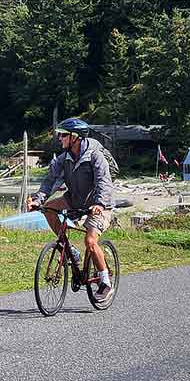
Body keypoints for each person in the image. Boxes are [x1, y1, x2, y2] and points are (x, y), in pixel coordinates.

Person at [26, 117, 116, 301]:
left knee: (90, 241)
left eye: (63, 135)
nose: (60, 139)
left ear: (75, 137)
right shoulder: (63, 158)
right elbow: (49, 181)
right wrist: (38, 199)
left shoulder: (95, 155)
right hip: (74, 199)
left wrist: (99, 203)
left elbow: (103, 182)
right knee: (48, 208)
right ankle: (70, 250)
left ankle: (105, 281)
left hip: (99, 205)